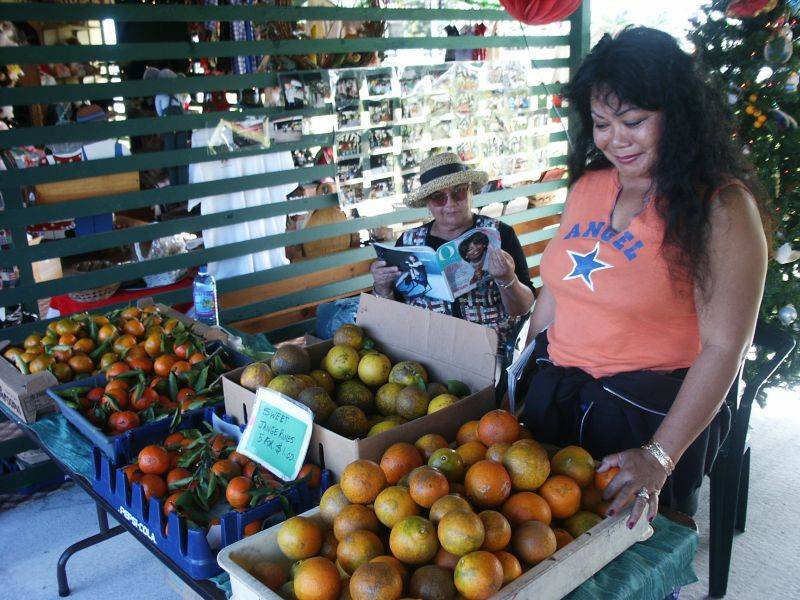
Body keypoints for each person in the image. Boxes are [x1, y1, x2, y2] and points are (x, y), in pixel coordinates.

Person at [517, 27, 770, 526]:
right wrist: (522, 370)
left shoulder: (721, 208)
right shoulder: (589, 186)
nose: (616, 140)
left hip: (645, 416)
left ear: (678, 115)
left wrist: (660, 456)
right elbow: (558, 287)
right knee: (543, 547)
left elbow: (726, 349)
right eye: (602, 123)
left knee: (629, 561)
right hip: (558, 399)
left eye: (633, 120)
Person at [370, 152, 535, 349]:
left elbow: (523, 308)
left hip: (490, 349)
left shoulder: (499, 234)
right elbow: (394, 312)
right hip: (428, 349)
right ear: (427, 204)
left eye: (458, 191)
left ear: (470, 193)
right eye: (438, 197)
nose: (450, 203)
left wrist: (507, 279)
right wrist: (382, 287)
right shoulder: (408, 242)